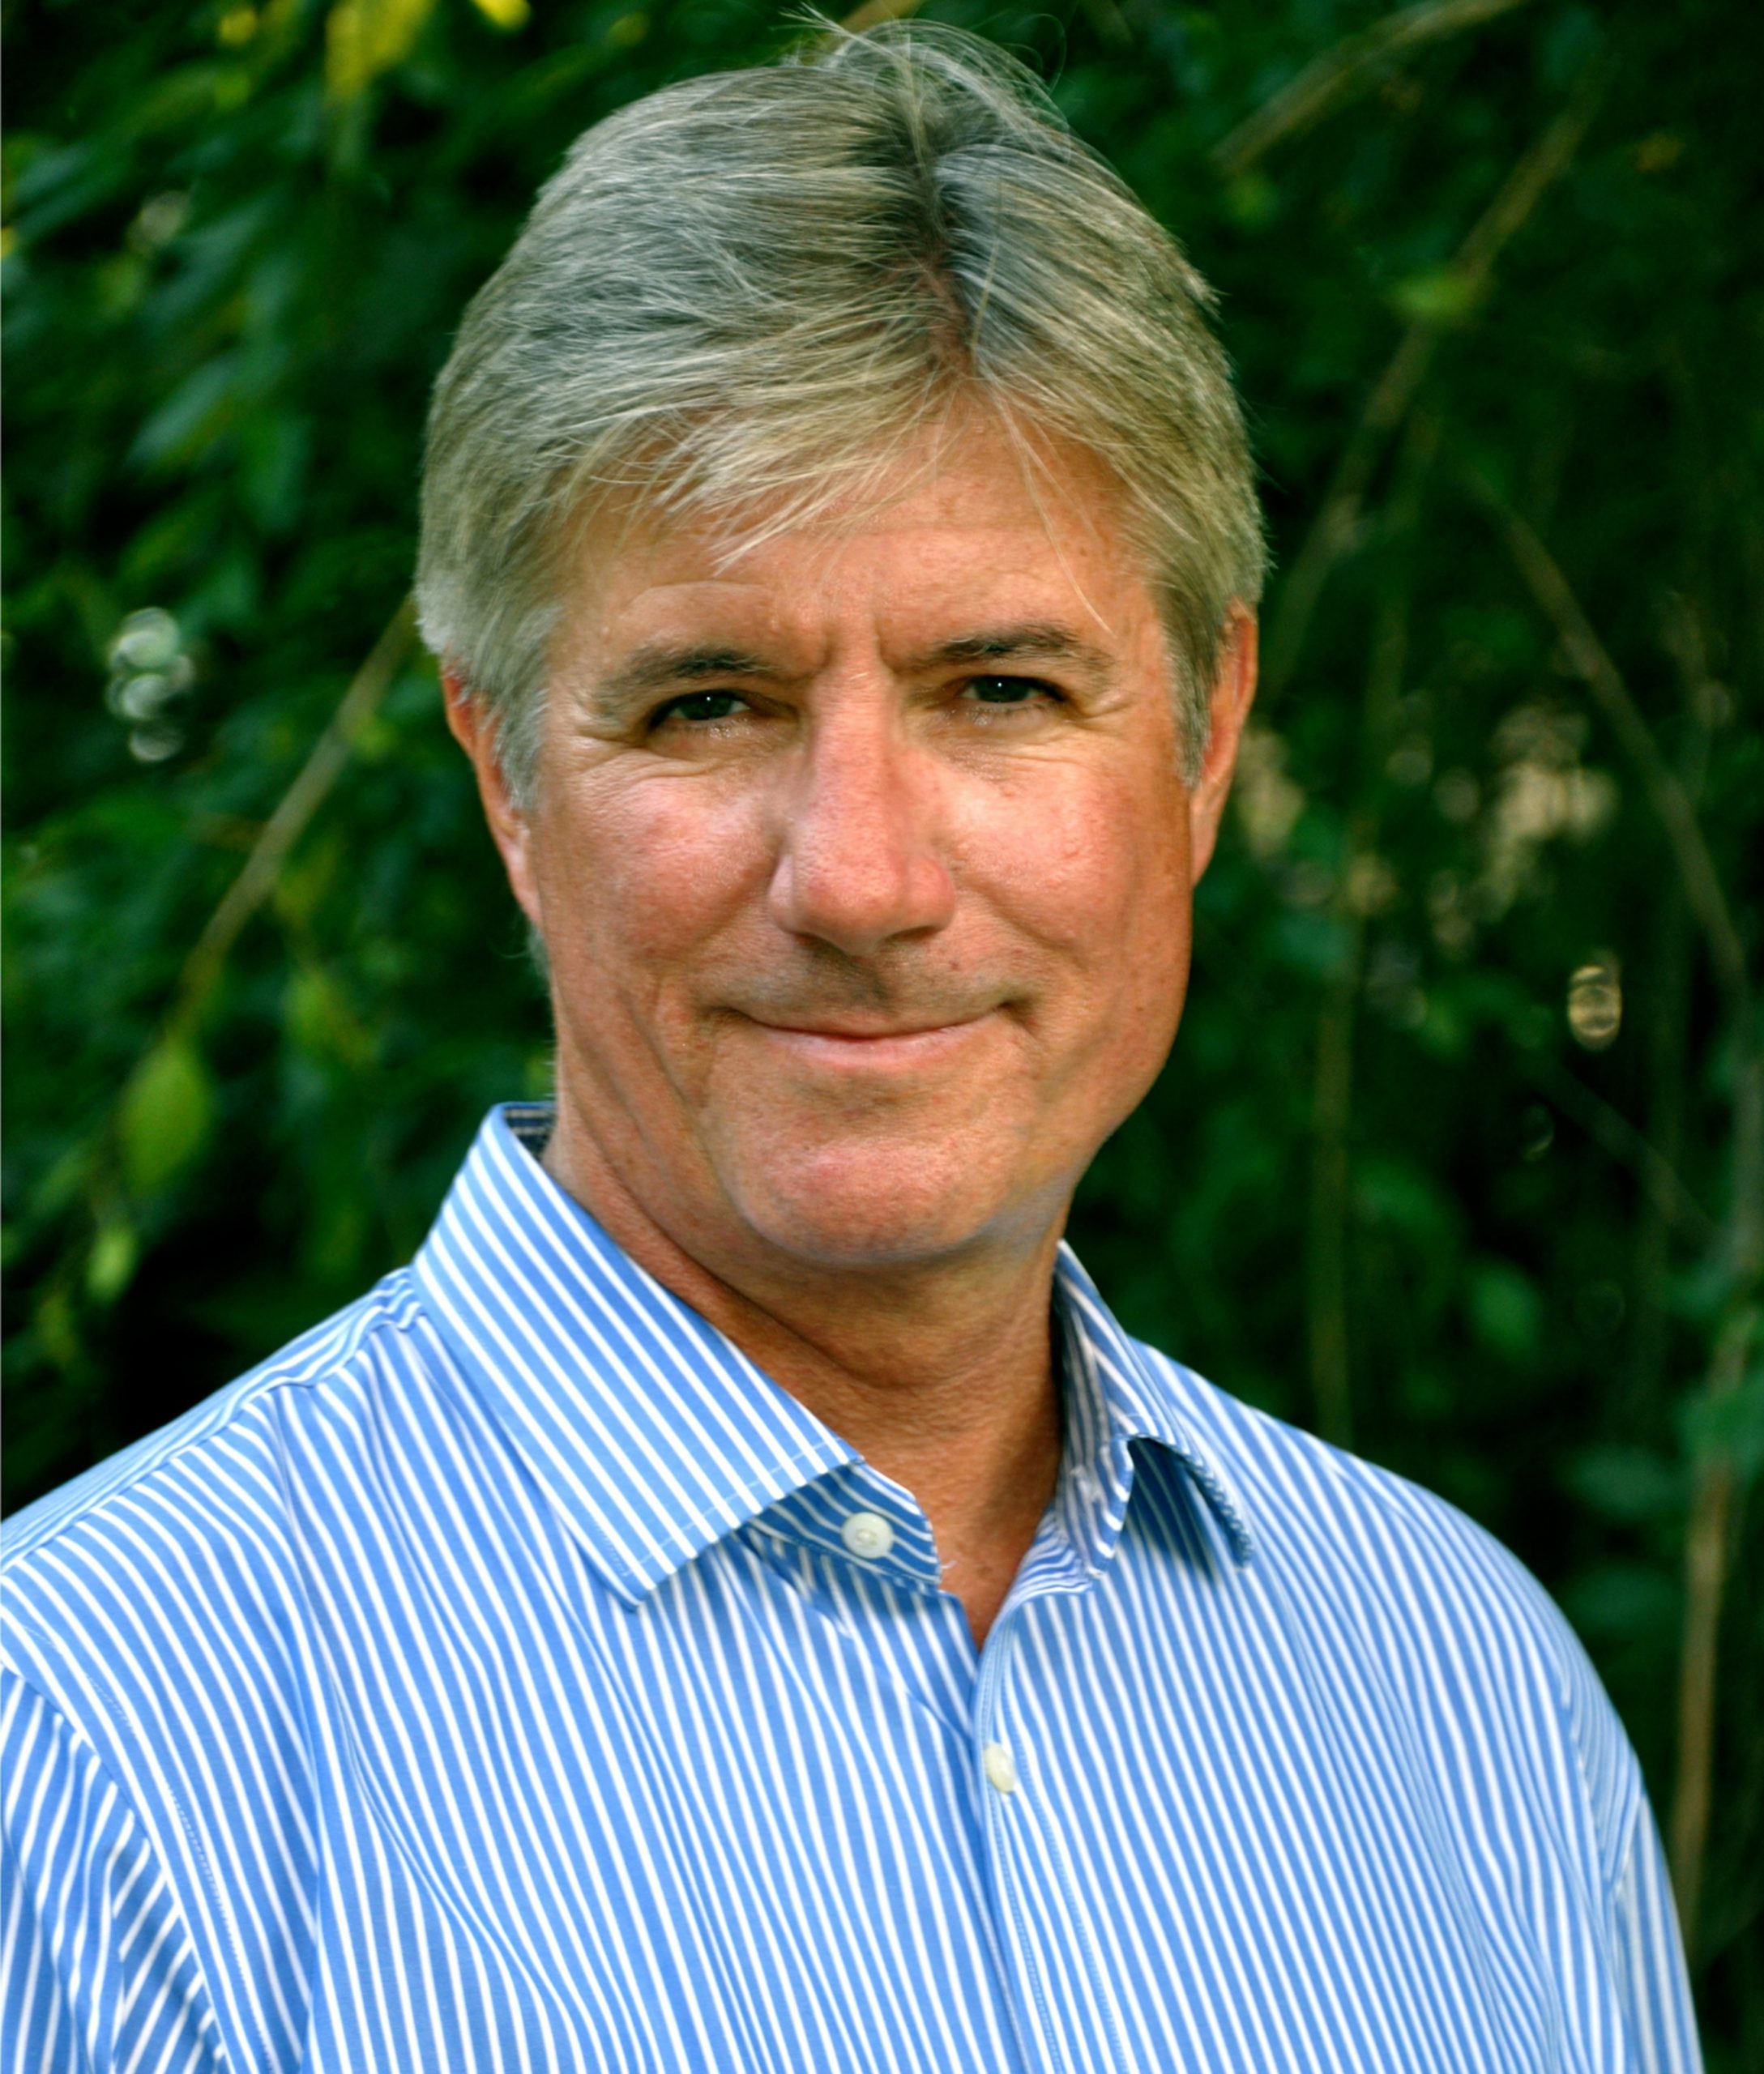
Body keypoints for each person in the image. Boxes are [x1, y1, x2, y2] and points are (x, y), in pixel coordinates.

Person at [2, 25, 1699, 2072]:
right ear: (508, 776)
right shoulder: (83, 1748)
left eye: (999, 683)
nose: (866, 881)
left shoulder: (1471, 1701)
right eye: (709, 703)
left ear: (1203, 741)